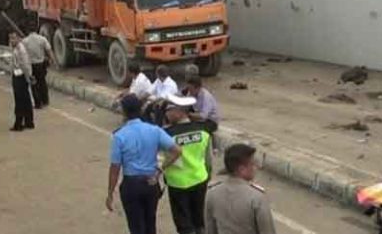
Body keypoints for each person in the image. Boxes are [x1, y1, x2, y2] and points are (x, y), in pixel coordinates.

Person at [107, 94, 183, 234]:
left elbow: (115, 168)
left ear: (124, 111)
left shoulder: (120, 136)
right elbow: (177, 151)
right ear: (140, 109)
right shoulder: (154, 130)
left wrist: (110, 192)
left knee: (136, 227)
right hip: (151, 183)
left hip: (131, 185)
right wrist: (160, 169)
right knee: (150, 223)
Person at [163, 96, 212, 234]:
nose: (166, 113)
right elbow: (209, 159)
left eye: (169, 110)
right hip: (200, 179)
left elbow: (162, 158)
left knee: (184, 223)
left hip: (177, 184)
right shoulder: (203, 131)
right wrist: (207, 175)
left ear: (179, 112)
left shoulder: (167, 134)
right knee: (199, 220)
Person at [205, 144, 277, 234]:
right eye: (252, 164)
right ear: (242, 169)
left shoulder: (212, 193)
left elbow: (210, 229)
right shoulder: (256, 197)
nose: (256, 167)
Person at [22, 28, 57, 109]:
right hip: (41, 65)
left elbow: (23, 54)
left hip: (31, 65)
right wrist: (53, 61)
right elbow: (49, 51)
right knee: (42, 82)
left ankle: (38, 103)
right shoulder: (42, 39)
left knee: (34, 84)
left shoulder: (25, 41)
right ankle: (45, 101)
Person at [9, 31, 36, 131]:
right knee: (25, 100)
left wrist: (28, 77)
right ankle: (29, 122)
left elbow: (25, 65)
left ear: (19, 39)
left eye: (13, 38)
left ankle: (19, 124)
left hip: (20, 77)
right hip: (20, 76)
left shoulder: (20, 49)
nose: (11, 41)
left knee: (19, 101)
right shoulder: (16, 48)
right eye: (10, 38)